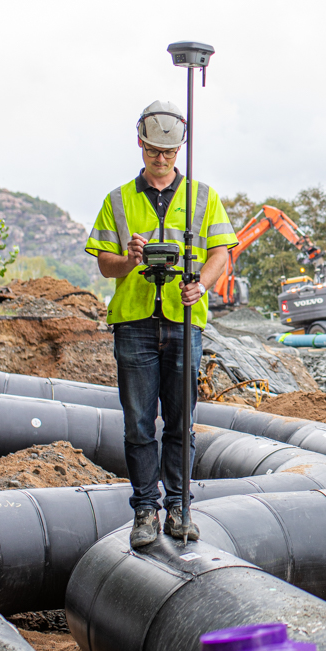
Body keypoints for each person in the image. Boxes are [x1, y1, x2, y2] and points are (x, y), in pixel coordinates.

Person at [84, 100, 238, 549]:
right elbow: (106, 268)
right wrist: (129, 258)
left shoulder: (203, 197)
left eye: (169, 152)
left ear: (179, 150)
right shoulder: (118, 200)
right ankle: (145, 510)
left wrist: (202, 286)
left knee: (179, 422)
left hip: (182, 321)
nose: (161, 157)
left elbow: (220, 252)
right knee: (137, 424)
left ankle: (179, 507)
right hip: (134, 324)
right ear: (141, 144)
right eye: (154, 149)